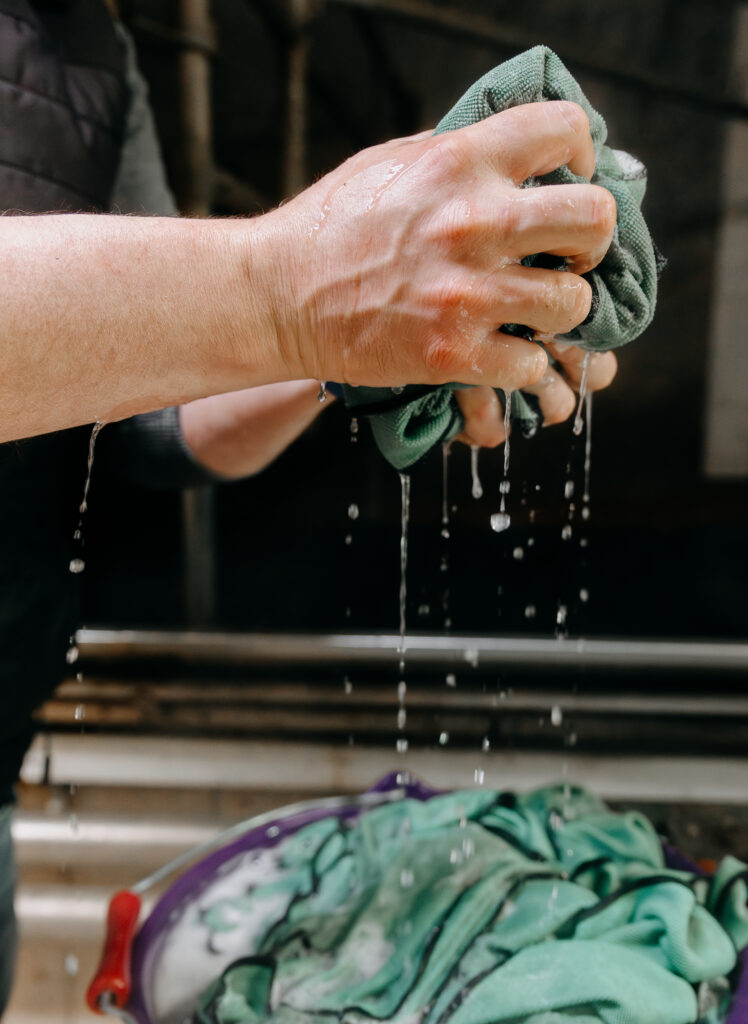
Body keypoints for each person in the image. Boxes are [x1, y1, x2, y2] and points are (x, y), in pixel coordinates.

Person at [0, 0, 618, 1016]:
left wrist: (340, 343)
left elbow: (153, 421)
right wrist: (283, 285)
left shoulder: (89, 46)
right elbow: (253, 297)